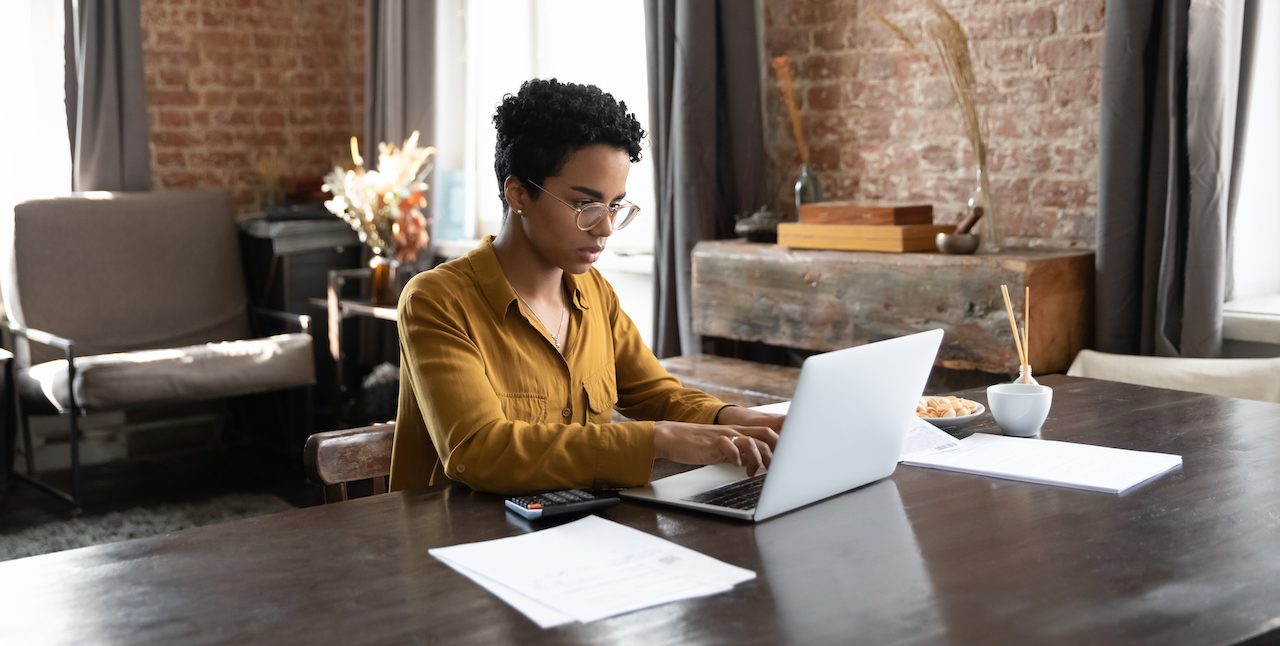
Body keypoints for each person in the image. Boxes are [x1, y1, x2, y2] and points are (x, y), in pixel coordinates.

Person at [389, 79, 783, 495]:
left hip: (577, 532)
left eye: (614, 205)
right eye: (584, 205)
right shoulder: (436, 301)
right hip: (460, 544)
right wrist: (658, 439)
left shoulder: (594, 293)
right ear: (519, 193)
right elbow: (481, 450)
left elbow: (658, 395)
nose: (607, 227)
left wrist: (742, 418)